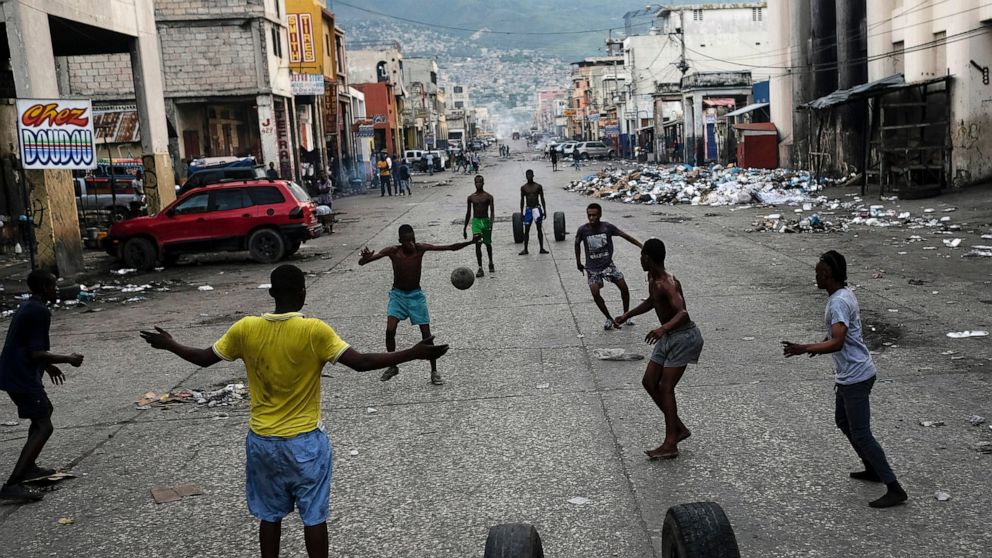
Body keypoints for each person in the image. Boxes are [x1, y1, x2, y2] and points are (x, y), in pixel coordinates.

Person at [140, 265, 446, 558]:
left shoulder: (246, 328)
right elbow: (361, 362)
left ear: (272, 293)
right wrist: (413, 353)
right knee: (313, 517)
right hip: (305, 444)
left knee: (270, 517)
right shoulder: (314, 331)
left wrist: (170, 344)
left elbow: (204, 358)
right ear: (302, 294)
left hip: (262, 442)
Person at [782, 251, 908, 509]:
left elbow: (838, 342)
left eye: (818, 273)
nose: (815, 277)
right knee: (843, 421)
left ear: (827, 275)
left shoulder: (839, 302)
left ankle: (894, 487)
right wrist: (817, 347)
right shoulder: (843, 294)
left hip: (855, 377)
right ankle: (871, 468)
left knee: (861, 433)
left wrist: (805, 347)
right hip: (850, 374)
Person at [0, 270, 84, 502]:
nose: (56, 290)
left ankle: (29, 467)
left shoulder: (31, 306)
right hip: (20, 375)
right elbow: (36, 352)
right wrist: (68, 359)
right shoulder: (39, 310)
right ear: (44, 288)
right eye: (53, 286)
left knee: (44, 412)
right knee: (44, 426)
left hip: (16, 371)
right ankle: (13, 483)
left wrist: (48, 366)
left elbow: (28, 346)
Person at [614, 239, 703, 460]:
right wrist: (628, 315)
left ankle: (671, 443)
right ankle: (678, 429)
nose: (639, 259)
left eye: (641, 256)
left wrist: (662, 329)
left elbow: (682, 313)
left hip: (683, 337)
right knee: (649, 381)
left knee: (665, 386)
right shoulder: (652, 279)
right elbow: (653, 302)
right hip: (668, 335)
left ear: (647, 258)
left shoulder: (667, 282)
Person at [359, 226, 480, 385]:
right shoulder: (393, 251)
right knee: (390, 330)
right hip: (398, 296)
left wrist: (471, 242)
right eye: (407, 240)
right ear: (400, 241)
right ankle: (393, 366)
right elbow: (363, 263)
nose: (412, 243)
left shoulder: (420, 249)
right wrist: (365, 258)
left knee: (427, 336)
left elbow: (449, 247)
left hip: (416, 296)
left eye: (413, 239)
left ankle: (434, 371)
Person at [575, 203, 642, 331]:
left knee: (624, 287)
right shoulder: (583, 230)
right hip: (592, 269)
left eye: (594, 215)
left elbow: (625, 236)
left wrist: (641, 246)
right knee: (595, 292)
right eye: (589, 215)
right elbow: (577, 244)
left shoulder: (607, 227)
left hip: (608, 266)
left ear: (600, 215)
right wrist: (578, 262)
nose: (591, 218)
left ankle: (626, 315)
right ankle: (608, 318)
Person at [463, 175, 495, 277]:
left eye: (480, 182)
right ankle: (480, 267)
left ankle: (490, 262)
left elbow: (492, 212)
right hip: (476, 222)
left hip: (485, 221)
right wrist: (464, 227)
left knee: (487, 244)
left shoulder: (488, 196)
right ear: (474, 183)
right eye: (476, 182)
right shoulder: (471, 197)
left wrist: (491, 223)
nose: (478, 184)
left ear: (483, 183)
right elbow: (468, 213)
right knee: (478, 244)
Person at [518, 169, 548, 255]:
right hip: (528, 210)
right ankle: (525, 249)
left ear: (533, 176)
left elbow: (542, 199)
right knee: (526, 229)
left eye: (530, 175)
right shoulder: (523, 188)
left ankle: (541, 248)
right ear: (526, 176)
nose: (529, 176)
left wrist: (544, 210)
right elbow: (522, 200)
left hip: (536, 209)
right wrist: (521, 212)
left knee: (539, 229)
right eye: (527, 175)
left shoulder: (538, 186)